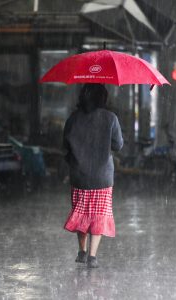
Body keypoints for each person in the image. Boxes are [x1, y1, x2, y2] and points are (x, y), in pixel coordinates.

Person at [63, 83, 123, 268]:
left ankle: (81, 251)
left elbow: (65, 147)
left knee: (81, 213)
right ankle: (92, 256)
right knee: (98, 214)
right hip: (102, 177)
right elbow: (118, 145)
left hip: (79, 176)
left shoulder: (73, 119)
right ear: (103, 98)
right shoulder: (110, 118)